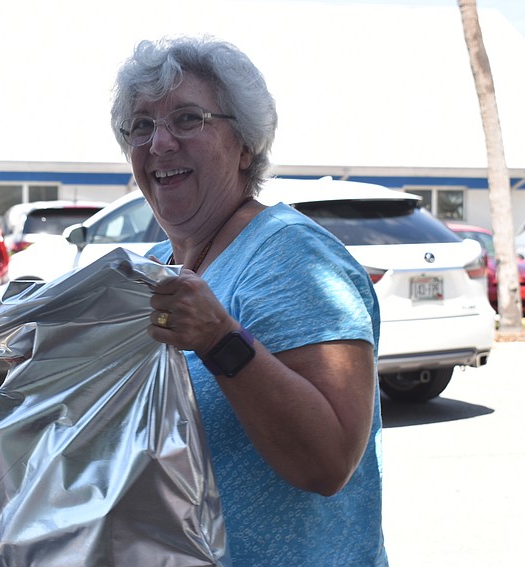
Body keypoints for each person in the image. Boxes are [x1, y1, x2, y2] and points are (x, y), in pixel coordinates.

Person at [110, 36, 388, 565]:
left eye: (187, 119)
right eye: (142, 125)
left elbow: (326, 465)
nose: (160, 143)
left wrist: (219, 340)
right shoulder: (154, 264)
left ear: (244, 145)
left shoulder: (291, 256)